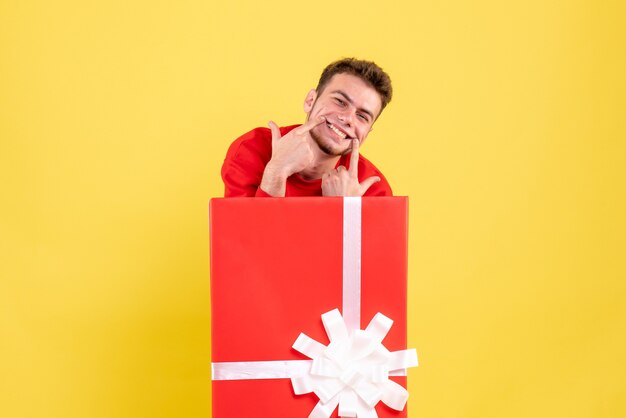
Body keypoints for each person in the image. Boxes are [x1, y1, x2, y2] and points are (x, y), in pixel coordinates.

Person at [221, 58, 393, 197]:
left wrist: (346, 209)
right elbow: (244, 238)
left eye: (362, 116)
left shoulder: (373, 190)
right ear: (310, 101)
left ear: (367, 132)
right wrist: (276, 172)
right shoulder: (251, 150)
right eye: (340, 101)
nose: (348, 119)